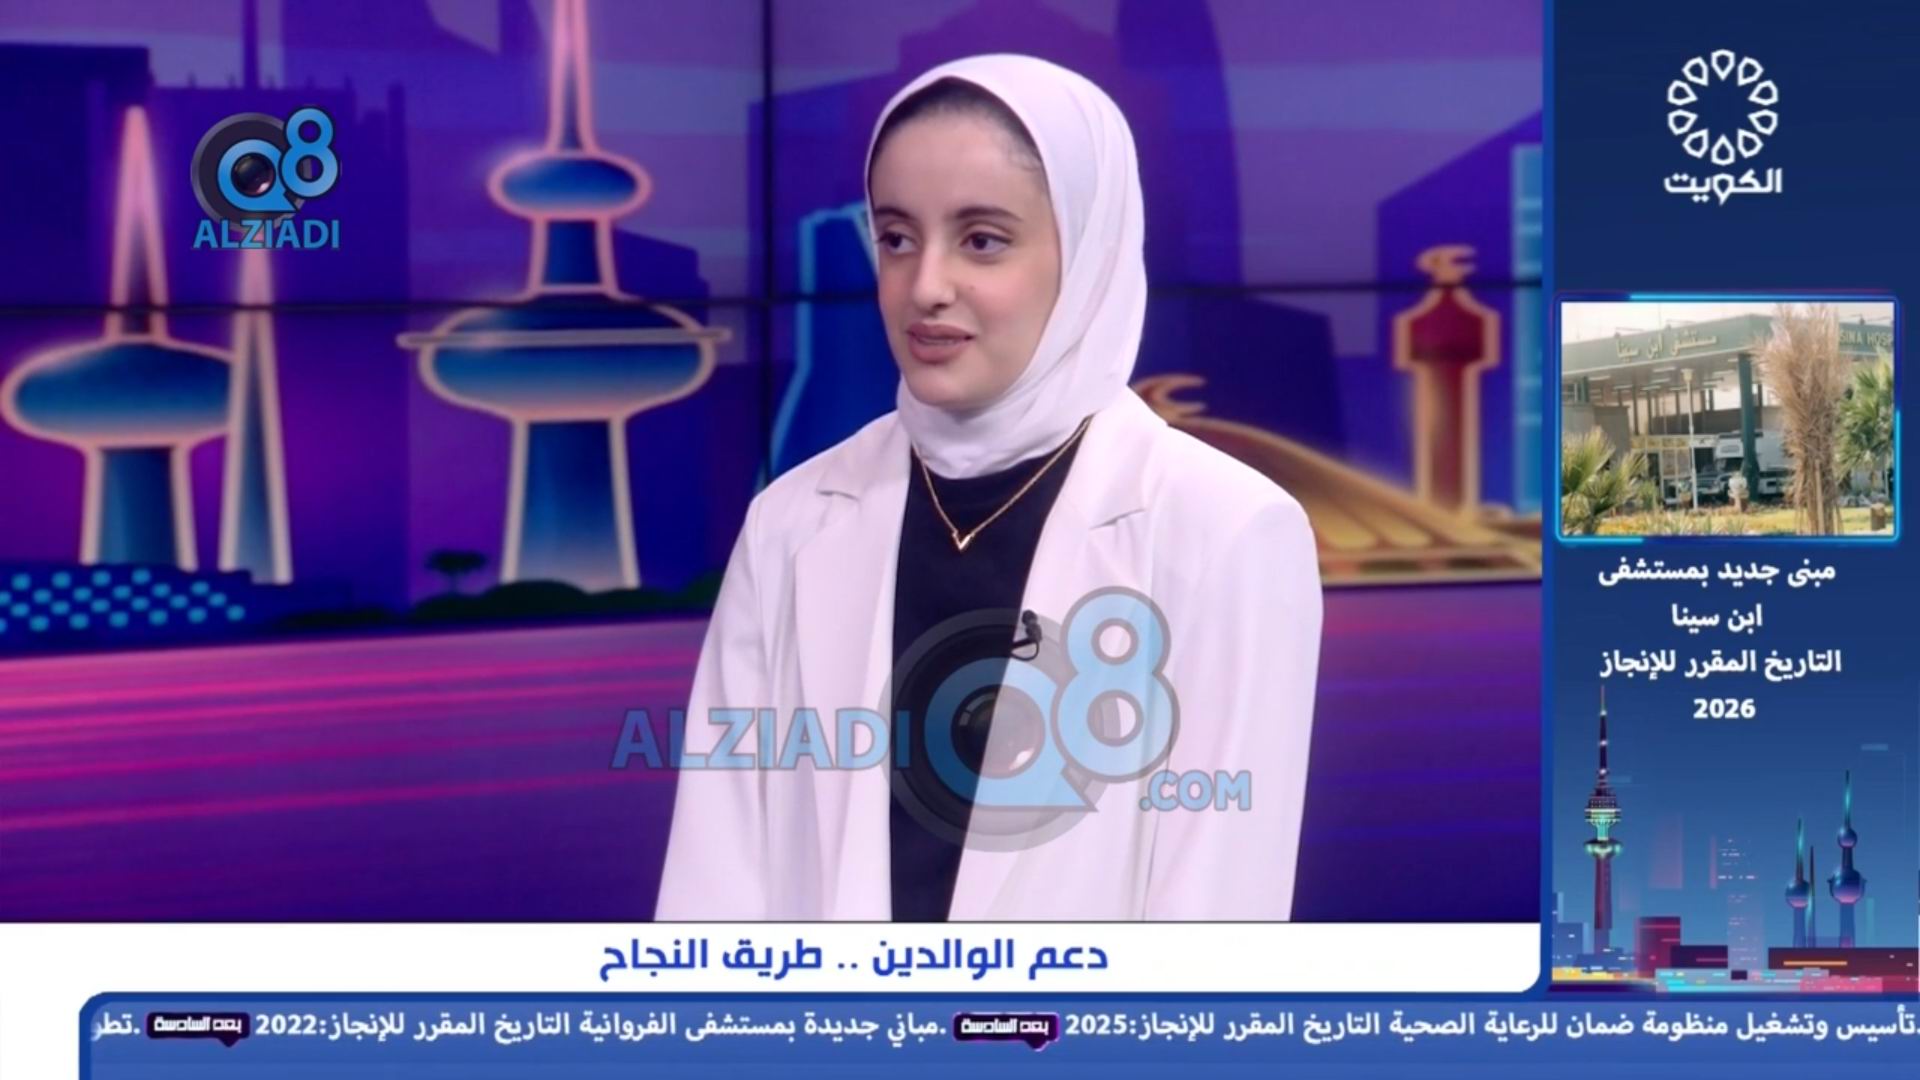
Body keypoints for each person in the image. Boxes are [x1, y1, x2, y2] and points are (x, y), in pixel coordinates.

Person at [655, 54, 1321, 921]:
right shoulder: (790, 522)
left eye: (982, 240)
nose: (926, 287)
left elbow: (1216, 919)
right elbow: (715, 893)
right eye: (897, 238)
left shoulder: (1225, 529)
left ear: (1088, 255)